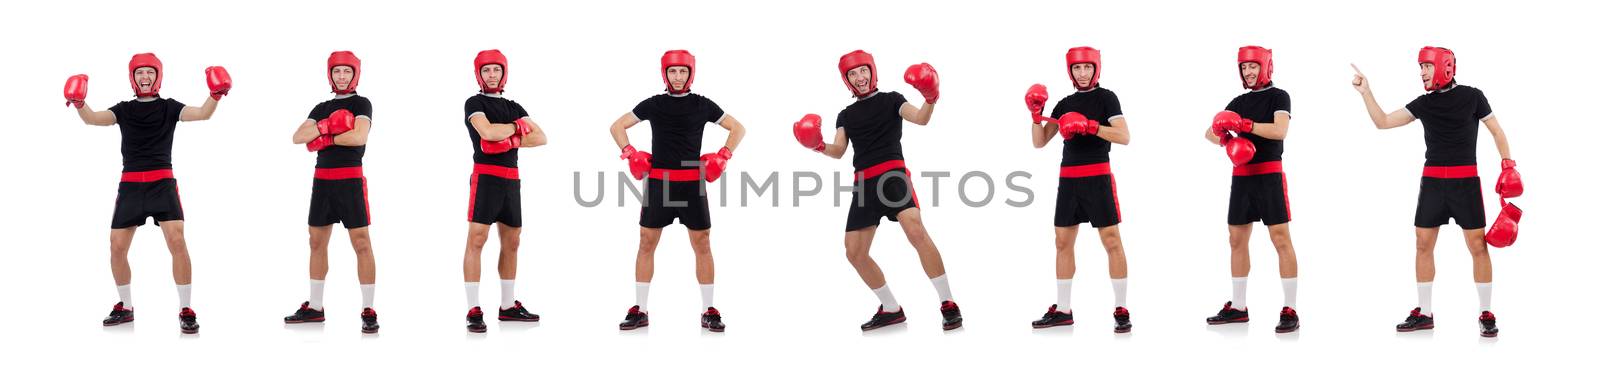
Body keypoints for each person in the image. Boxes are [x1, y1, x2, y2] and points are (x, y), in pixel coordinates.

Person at [1350, 46, 1518, 337]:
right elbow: (1383, 122)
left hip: (1465, 183)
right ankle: (1425, 312)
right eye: (1421, 68)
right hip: (1432, 183)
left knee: (1478, 246)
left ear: (1444, 66)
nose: (1422, 73)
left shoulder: (1472, 96)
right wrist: (1366, 92)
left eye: (1426, 66)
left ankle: (1486, 313)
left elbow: (1497, 131)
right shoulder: (1424, 104)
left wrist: (1508, 165)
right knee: (1422, 245)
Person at [792, 50, 963, 331]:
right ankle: (891, 308)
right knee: (854, 252)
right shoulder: (845, 114)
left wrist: (931, 97)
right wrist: (817, 145)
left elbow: (921, 118)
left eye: (863, 71)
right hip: (864, 184)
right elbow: (838, 151)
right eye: (852, 74)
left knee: (915, 230)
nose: (859, 77)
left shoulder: (892, 99)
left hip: (892, 176)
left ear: (872, 71)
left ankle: (948, 303)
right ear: (846, 80)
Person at [63, 53, 231, 334]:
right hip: (130, 184)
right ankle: (125, 307)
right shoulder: (124, 109)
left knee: (177, 240)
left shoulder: (169, 107)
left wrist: (215, 95)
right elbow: (92, 119)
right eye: (140, 73)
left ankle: (186, 309)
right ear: (133, 77)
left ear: (158, 77)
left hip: (162, 182)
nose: (145, 77)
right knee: (117, 246)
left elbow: (202, 113)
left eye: (150, 73)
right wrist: (80, 104)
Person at [608, 50, 746, 332]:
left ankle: (709, 309)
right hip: (659, 182)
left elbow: (738, 128)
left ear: (691, 73)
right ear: (665, 74)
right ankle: (641, 310)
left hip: (692, 183)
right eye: (673, 72)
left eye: (683, 71)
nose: (678, 77)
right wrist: (628, 152)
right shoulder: (654, 103)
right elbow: (617, 126)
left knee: (703, 243)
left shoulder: (702, 104)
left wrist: (724, 155)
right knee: (647, 242)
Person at [1023, 47, 1134, 333]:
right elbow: (1039, 142)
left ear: (1096, 68)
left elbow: (1124, 136)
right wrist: (1036, 116)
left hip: (1097, 177)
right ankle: (1063, 310)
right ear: (1069, 71)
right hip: (1069, 178)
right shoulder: (1064, 103)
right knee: (1062, 242)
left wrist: (1091, 126)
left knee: (1111, 240)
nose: (1082, 73)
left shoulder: (1107, 98)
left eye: (1087, 68)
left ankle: (1121, 309)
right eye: (1076, 69)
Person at [1201, 46, 1302, 333]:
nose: (1248, 72)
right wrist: (1225, 140)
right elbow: (1209, 132)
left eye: (1253, 67)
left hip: (1269, 176)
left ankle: (1290, 308)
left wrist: (1244, 124)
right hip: (1242, 177)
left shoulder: (1279, 96)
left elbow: (1280, 131)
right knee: (1235, 240)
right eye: (1244, 68)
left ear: (1265, 66)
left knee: (1280, 239)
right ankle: (1239, 306)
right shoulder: (1238, 100)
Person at [283, 51, 380, 333]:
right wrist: (326, 127)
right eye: (336, 72)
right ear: (330, 75)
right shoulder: (321, 107)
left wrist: (322, 137)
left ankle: (369, 309)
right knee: (316, 242)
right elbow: (297, 137)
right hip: (322, 181)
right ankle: (315, 308)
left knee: (361, 242)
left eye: (346, 72)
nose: (341, 77)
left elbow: (359, 137)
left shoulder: (362, 103)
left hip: (350, 180)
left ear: (355, 75)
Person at [460, 49, 549, 333]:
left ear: (504, 72)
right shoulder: (474, 102)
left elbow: (541, 137)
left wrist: (509, 140)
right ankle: (474, 309)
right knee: (477, 239)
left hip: (511, 180)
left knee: (512, 242)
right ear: (479, 74)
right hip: (485, 178)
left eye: (496, 70)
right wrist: (516, 129)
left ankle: (508, 306)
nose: (492, 75)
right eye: (486, 70)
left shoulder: (514, 105)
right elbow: (487, 133)